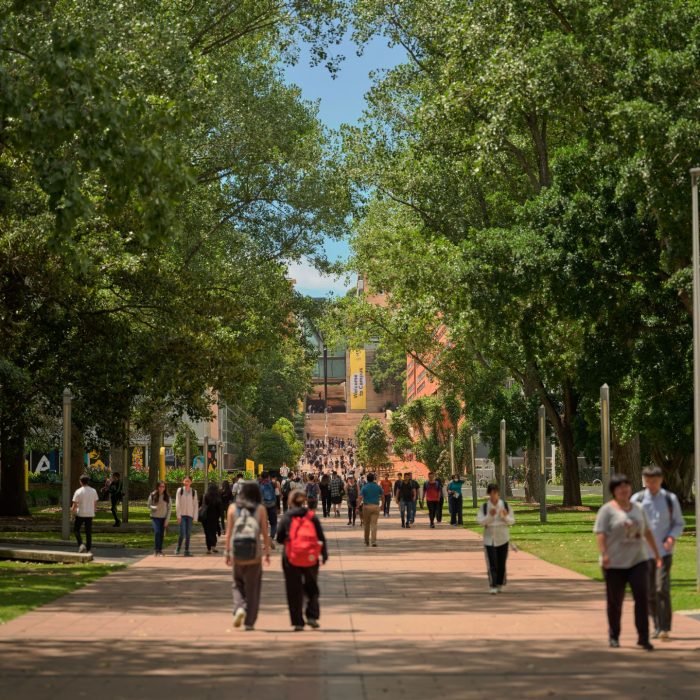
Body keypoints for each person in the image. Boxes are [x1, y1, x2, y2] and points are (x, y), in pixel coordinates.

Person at [594, 474, 663, 650]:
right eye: (619, 487)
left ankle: (643, 637)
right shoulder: (607, 511)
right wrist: (605, 554)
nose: (624, 490)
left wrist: (656, 554)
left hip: (638, 560)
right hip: (614, 563)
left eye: (626, 486)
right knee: (615, 601)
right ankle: (614, 635)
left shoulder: (638, 508)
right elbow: (600, 534)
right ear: (613, 491)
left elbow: (647, 531)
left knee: (642, 598)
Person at [632, 466, 685, 641]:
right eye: (647, 481)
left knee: (662, 588)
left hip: (664, 552)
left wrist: (671, 537)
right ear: (643, 480)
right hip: (643, 554)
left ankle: (664, 628)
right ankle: (655, 624)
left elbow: (678, 523)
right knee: (649, 591)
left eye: (654, 481)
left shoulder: (670, 500)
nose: (651, 484)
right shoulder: (637, 500)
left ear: (660, 480)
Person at [277, 490, 328, 631]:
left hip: (291, 557)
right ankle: (312, 616)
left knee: (294, 590)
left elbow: (280, 538)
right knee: (311, 586)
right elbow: (321, 537)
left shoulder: (287, 517)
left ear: (290, 501)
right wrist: (324, 554)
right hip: (311, 557)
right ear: (304, 501)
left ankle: (298, 621)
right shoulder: (311, 516)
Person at [224, 480, 271, 631]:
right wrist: (267, 553)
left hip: (237, 552)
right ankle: (249, 622)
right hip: (254, 553)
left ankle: (239, 607)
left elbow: (228, 533)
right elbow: (265, 533)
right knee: (253, 588)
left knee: (237, 583)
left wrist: (227, 553)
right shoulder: (261, 509)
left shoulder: (232, 508)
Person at [477, 483, 515, 594]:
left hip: (503, 537)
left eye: (495, 493)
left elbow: (512, 521)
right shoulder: (485, 507)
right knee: (492, 563)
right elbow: (480, 521)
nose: (493, 496)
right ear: (489, 494)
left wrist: (504, 516)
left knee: (501, 563)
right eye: (491, 494)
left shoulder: (505, 505)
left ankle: (499, 583)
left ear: (498, 493)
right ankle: (492, 584)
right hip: (489, 539)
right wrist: (489, 516)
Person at [71, 474, 99, 553]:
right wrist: (93, 510)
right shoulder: (93, 491)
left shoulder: (78, 491)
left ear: (80, 482)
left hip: (80, 513)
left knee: (76, 530)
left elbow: (74, 505)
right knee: (88, 532)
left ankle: (81, 544)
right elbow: (95, 503)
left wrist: (72, 514)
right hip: (90, 514)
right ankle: (88, 548)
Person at [175, 476, 198, 556]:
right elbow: (177, 504)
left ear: (191, 482)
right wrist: (178, 516)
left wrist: (195, 517)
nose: (187, 482)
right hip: (182, 515)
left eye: (188, 481)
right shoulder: (180, 490)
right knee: (182, 533)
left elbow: (195, 505)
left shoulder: (194, 492)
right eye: (185, 481)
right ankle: (178, 547)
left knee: (188, 533)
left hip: (190, 515)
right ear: (183, 482)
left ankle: (186, 550)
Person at [147, 481, 171, 556]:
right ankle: (156, 549)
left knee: (161, 534)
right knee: (157, 532)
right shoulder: (152, 495)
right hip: (155, 517)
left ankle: (159, 550)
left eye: (163, 486)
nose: (161, 488)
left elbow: (169, 509)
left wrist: (167, 520)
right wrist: (154, 507)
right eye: (160, 486)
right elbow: (148, 505)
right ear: (157, 487)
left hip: (163, 518)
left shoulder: (167, 496)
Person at [360, 473, 383, 546]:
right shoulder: (378, 487)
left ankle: (366, 541)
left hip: (366, 507)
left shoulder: (364, 487)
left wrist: (357, 507)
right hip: (376, 507)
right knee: (374, 525)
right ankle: (373, 541)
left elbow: (360, 497)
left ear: (367, 479)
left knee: (366, 524)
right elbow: (383, 496)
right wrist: (382, 505)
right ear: (373, 479)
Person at [201, 483, 223, 554]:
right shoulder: (218, 497)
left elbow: (201, 505)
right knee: (213, 532)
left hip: (205, 517)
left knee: (207, 533)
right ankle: (213, 546)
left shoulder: (205, 496)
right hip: (214, 517)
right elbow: (220, 509)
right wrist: (219, 516)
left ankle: (209, 549)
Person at [259, 471, 278, 539]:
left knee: (263, 523)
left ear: (261, 477)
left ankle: (265, 538)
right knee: (273, 523)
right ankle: (271, 537)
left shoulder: (259, 484)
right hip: (272, 505)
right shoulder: (273, 483)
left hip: (263, 506)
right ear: (268, 477)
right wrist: (278, 506)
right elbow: (277, 494)